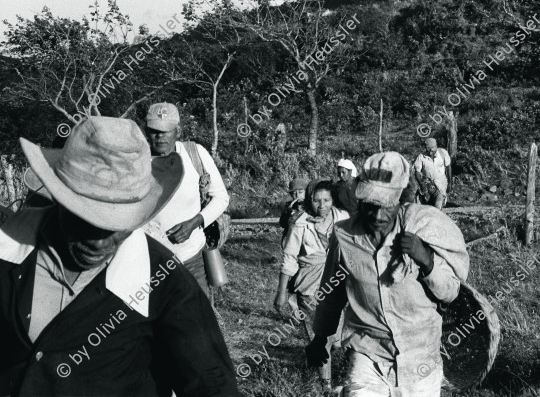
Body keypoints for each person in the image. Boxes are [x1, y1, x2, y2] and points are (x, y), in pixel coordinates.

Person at [0, 117, 238, 396]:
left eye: (118, 225)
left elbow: (212, 383)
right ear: (58, 198)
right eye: (85, 220)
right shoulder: (7, 250)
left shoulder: (163, 280)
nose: (100, 241)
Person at [305, 151, 469, 397]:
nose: (378, 216)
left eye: (387, 207)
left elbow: (450, 293)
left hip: (420, 355)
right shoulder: (345, 237)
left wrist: (425, 259)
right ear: (360, 201)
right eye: (371, 207)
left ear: (400, 201)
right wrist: (320, 338)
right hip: (368, 355)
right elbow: (332, 292)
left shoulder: (423, 229)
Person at [144, 102, 229, 296]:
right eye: (154, 131)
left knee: (198, 323)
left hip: (192, 259)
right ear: (146, 131)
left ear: (178, 131)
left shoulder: (194, 154)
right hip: (149, 264)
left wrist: (194, 222)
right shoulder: (137, 161)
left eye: (166, 131)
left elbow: (221, 198)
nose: (160, 136)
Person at [274, 179, 349, 390]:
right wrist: (281, 293)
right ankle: (326, 387)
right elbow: (289, 258)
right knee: (321, 336)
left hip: (337, 283)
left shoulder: (342, 218)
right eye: (317, 200)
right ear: (309, 200)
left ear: (333, 200)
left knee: (336, 340)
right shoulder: (300, 222)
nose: (322, 205)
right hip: (310, 286)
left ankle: (314, 356)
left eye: (326, 200)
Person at [413, 138, 452, 209]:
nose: (430, 151)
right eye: (428, 149)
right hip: (426, 185)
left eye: (432, 149)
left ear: (435, 147)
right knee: (422, 208)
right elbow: (417, 172)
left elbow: (448, 168)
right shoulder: (421, 157)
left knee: (438, 206)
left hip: (440, 185)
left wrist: (450, 182)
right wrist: (422, 185)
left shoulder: (443, 153)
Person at [279, 177, 309, 242]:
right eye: (294, 193)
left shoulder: (311, 205)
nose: (297, 195)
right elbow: (282, 224)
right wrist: (288, 212)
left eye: (300, 192)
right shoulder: (289, 206)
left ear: (306, 192)